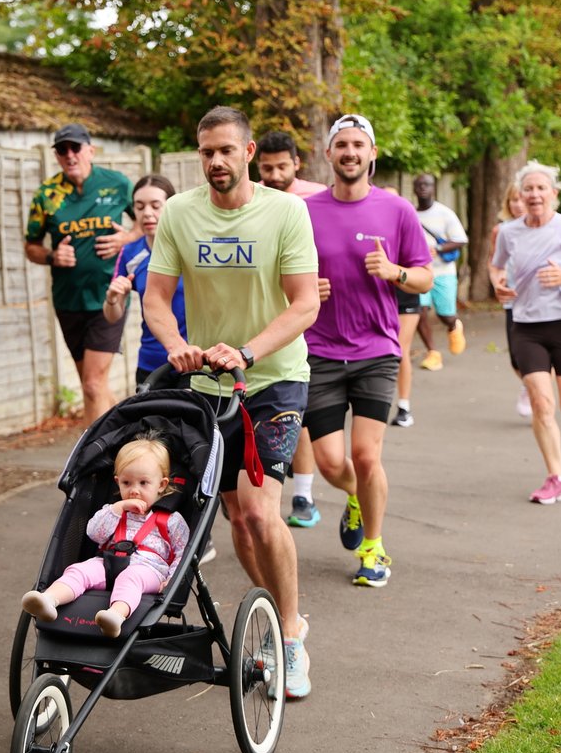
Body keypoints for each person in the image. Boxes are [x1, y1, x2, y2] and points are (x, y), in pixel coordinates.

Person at [144, 105, 321, 698]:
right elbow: (157, 299)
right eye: (206, 152)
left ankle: (290, 637)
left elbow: (303, 305)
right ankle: (270, 612)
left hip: (274, 380)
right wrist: (176, 346)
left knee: (261, 512)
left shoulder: (286, 212)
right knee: (239, 522)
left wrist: (247, 350)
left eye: (225, 150)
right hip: (208, 384)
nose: (215, 162)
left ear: (248, 154)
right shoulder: (178, 212)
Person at [303, 114, 433, 588]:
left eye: (359, 144)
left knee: (365, 454)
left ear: (372, 154)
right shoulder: (306, 210)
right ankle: (357, 496)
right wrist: (300, 290)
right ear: (329, 154)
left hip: (378, 349)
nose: (350, 152)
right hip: (319, 350)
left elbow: (425, 277)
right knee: (331, 463)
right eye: (342, 144)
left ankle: (374, 549)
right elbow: (283, 274)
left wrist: (394, 271)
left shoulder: (397, 210)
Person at [492, 161, 561, 504]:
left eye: (541, 188)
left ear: (554, 194)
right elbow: (497, 266)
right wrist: (498, 285)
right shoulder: (509, 232)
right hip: (526, 326)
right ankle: (556, 478)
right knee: (542, 403)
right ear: (520, 195)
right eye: (528, 189)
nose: (534, 194)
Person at [20, 436, 190, 639]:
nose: (134, 490)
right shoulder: (113, 512)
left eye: (144, 483)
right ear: (118, 482)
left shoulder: (170, 520)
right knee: (80, 570)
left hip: (149, 570)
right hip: (109, 562)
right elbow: (94, 533)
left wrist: (171, 580)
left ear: (161, 485)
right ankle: (49, 600)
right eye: (127, 483)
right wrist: (117, 509)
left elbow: (183, 553)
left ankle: (115, 616)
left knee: (131, 578)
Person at [25, 122, 136, 425]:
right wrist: (52, 255)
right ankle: (130, 435)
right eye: (63, 149)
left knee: (91, 384)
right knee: (93, 387)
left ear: (91, 150)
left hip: (108, 296)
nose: (70, 154)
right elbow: (31, 246)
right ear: (57, 156)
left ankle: (94, 463)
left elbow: (148, 222)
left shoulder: (117, 184)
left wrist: (126, 238)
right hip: (68, 300)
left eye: (76, 147)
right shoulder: (47, 195)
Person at [254, 130, 328, 527]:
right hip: (271, 321)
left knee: (303, 419)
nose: (275, 173)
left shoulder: (317, 198)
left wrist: (321, 284)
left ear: (297, 163)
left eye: (283, 166)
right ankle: (296, 497)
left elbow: (332, 249)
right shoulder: (251, 201)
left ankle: (303, 494)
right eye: (267, 168)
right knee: (291, 418)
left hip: (315, 318)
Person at [103, 174, 182, 383]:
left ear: (171, 206)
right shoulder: (130, 253)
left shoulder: (191, 248)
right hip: (152, 364)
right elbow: (113, 316)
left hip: (196, 361)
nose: (147, 213)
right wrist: (112, 298)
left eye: (156, 206)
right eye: (139, 207)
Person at [413, 173, 469, 372]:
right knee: (420, 312)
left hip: (443, 272)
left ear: (433, 188)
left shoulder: (444, 213)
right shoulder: (410, 214)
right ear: (414, 189)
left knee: (446, 315)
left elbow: (461, 240)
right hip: (420, 272)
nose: (423, 188)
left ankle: (454, 326)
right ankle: (433, 352)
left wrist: (438, 249)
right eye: (419, 185)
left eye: (426, 184)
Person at [489, 183, 532, 417]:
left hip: (539, 300)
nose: (517, 204)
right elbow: (493, 264)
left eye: (520, 199)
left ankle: (537, 388)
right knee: (516, 358)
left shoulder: (546, 228)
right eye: (512, 200)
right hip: (512, 300)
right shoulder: (502, 230)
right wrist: (497, 281)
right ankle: (529, 383)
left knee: (540, 353)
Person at [383, 185, 423, 429]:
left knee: (399, 349)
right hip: (377, 297)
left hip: (405, 296)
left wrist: (397, 270)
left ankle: (404, 407)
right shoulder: (370, 223)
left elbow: (422, 266)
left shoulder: (407, 224)